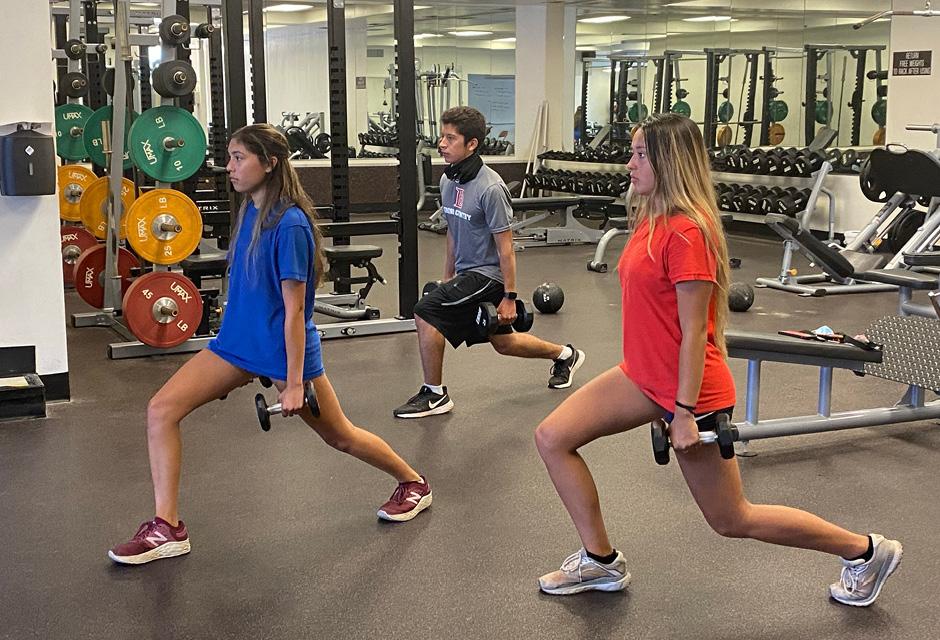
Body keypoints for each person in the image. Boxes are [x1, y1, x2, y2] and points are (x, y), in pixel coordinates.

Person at [533, 113, 902, 606]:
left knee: (732, 519)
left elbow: (693, 331)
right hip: (643, 376)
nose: (629, 163)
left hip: (692, 390)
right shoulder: (651, 218)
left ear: (670, 160)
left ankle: (864, 551)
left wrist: (684, 412)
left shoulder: (687, 233)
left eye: (641, 154)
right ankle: (600, 562)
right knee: (552, 437)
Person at [109, 124, 431, 565]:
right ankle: (167, 528)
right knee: (161, 410)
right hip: (235, 345)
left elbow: (295, 312)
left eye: (239, 157)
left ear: (270, 162)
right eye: (230, 157)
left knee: (340, 437)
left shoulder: (291, 224)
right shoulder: (248, 211)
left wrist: (294, 382)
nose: (229, 167)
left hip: (282, 353)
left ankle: (413, 483)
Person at [394, 106, 585, 419]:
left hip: (489, 276)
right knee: (504, 343)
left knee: (425, 309)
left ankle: (435, 393)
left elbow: (506, 248)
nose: (441, 144)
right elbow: (453, 234)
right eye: (442, 136)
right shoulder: (448, 181)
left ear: (472, 144)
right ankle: (565, 355)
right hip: (467, 276)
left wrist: (509, 296)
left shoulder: (491, 188)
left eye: (450, 138)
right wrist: (447, 278)